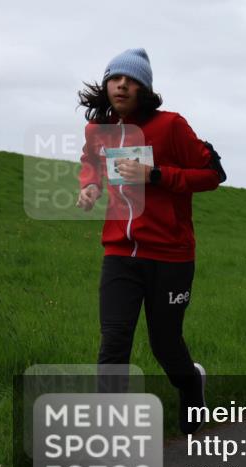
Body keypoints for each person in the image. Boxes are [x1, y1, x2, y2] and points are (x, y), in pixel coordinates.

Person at [76, 48, 225, 435]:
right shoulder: (98, 130)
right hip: (119, 253)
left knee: (165, 345)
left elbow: (212, 175)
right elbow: (90, 162)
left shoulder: (171, 126)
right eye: (115, 78)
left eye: (132, 80)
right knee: (114, 340)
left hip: (171, 255)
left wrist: (155, 175)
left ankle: (191, 384)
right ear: (107, 84)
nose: (122, 85)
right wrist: (90, 186)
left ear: (145, 89)